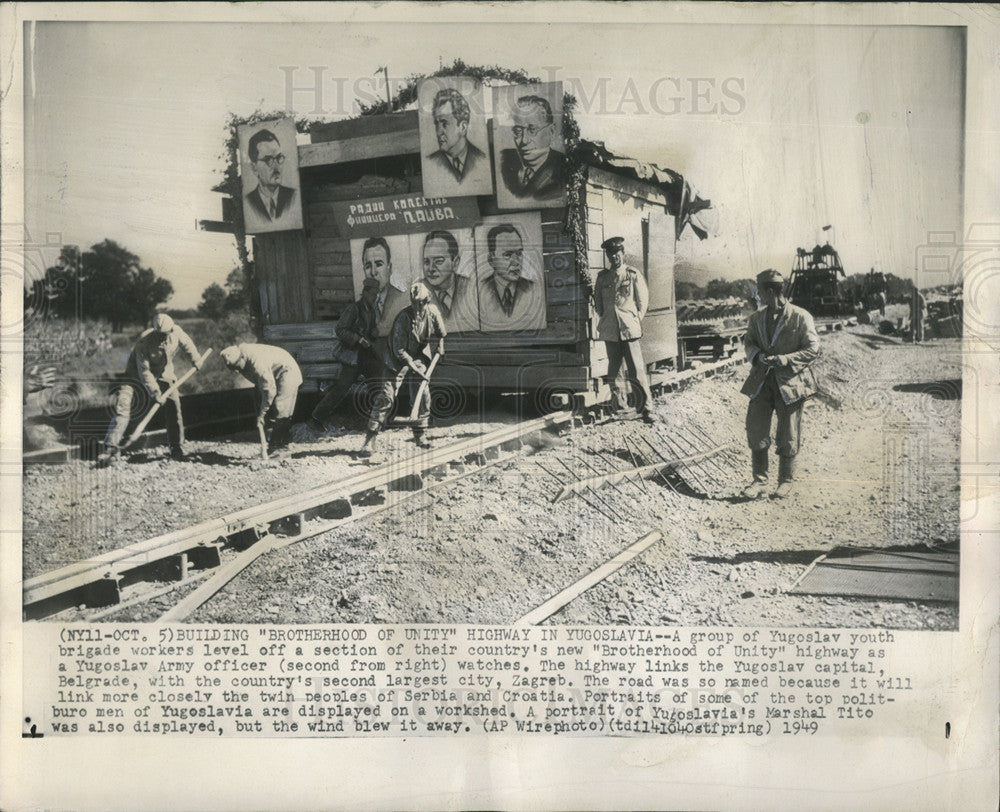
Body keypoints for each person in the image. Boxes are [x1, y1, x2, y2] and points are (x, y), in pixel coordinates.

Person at [740, 269, 820, 499]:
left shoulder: (800, 316)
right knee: (756, 429)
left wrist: (786, 359)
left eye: (760, 291)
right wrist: (758, 356)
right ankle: (759, 482)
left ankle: (785, 481)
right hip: (762, 382)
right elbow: (749, 343)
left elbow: (813, 349)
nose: (758, 297)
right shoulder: (756, 319)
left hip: (790, 383)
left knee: (788, 433)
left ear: (770, 291)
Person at [358, 282, 446, 458]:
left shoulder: (432, 312)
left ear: (427, 301)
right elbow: (399, 351)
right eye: (415, 303)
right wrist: (413, 367)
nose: (418, 306)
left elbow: (441, 333)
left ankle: (420, 435)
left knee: (423, 395)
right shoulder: (403, 318)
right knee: (386, 397)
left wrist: (440, 346)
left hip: (419, 355)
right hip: (396, 359)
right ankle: (370, 439)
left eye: (421, 303)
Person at [102, 313, 202, 461]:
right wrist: (155, 393)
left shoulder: (176, 332)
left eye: (166, 334)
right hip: (134, 375)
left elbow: (187, 344)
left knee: (174, 406)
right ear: (155, 331)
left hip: (164, 375)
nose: (163, 338)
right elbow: (145, 372)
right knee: (123, 407)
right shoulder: (144, 342)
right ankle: (111, 447)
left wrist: (196, 359)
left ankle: (175, 447)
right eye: (160, 335)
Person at [307, 276, 382, 431]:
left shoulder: (372, 310)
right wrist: (358, 339)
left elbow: (370, 331)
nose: (375, 298)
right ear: (366, 293)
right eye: (373, 294)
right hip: (352, 357)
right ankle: (316, 418)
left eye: (377, 295)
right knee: (341, 389)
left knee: (377, 384)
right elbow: (340, 330)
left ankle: (379, 419)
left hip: (366, 356)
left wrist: (374, 333)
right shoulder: (353, 309)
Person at [593, 236, 655, 424]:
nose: (614, 258)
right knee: (614, 370)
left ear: (623, 254)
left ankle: (646, 409)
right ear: (608, 257)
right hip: (610, 329)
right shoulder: (602, 278)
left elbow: (643, 302)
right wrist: (608, 319)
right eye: (611, 255)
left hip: (629, 329)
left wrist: (633, 320)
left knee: (636, 369)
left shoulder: (632, 274)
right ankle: (620, 407)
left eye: (617, 254)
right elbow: (598, 304)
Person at [221, 343, 303, 455]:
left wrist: (262, 413)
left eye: (236, 367)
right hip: (272, 374)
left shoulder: (257, 363)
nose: (236, 371)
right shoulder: (241, 356)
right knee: (262, 404)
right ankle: (274, 443)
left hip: (288, 371)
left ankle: (279, 447)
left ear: (242, 358)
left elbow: (269, 391)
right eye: (232, 369)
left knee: (281, 407)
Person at [498, 95, 567, 204]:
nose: (524, 141)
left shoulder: (563, 170)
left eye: (532, 129)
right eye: (518, 132)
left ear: (552, 131)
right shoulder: (504, 163)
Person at [477, 224, 545, 331]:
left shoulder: (533, 289)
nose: (516, 262)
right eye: (508, 255)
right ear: (491, 260)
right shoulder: (479, 290)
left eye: (519, 253)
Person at [426, 88, 487, 185]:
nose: (438, 132)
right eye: (436, 124)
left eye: (444, 124)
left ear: (462, 127)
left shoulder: (482, 159)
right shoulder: (429, 163)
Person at [420, 229, 475, 331]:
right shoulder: (418, 291)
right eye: (427, 262)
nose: (431, 268)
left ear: (455, 263)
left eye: (439, 261)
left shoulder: (472, 288)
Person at [244, 128, 297, 225]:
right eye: (268, 160)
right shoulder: (248, 202)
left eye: (278, 157)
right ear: (254, 168)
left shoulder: (293, 197)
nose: (276, 165)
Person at [361, 236, 408, 345]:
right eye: (368, 266)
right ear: (364, 270)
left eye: (379, 264)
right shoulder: (360, 305)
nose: (373, 272)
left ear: (389, 268)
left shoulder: (403, 301)